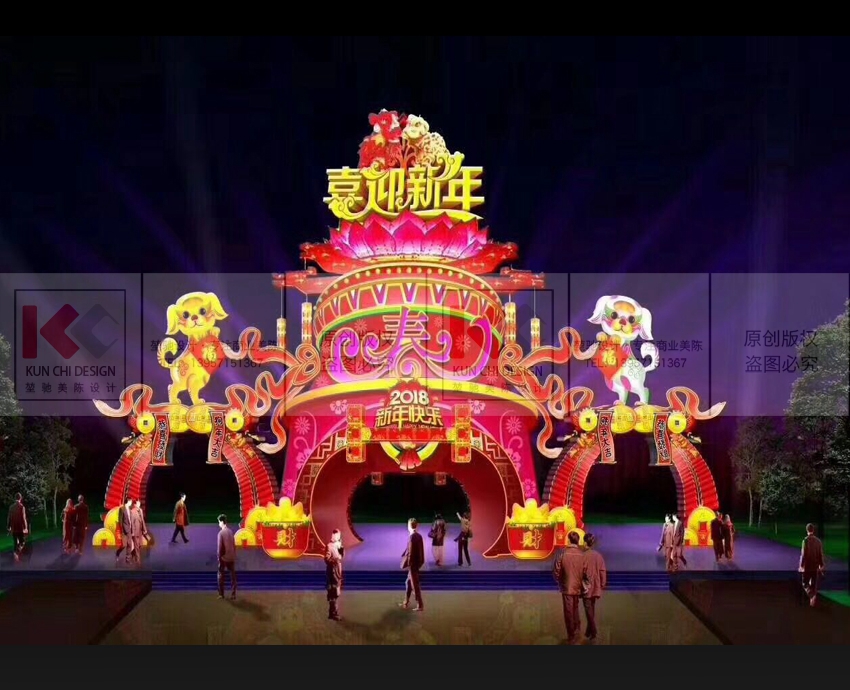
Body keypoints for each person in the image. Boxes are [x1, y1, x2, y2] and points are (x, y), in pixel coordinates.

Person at [553, 530, 585, 643]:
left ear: (568, 540)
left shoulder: (562, 553)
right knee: (575, 608)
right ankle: (577, 629)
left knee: (568, 611)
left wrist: (560, 581)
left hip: (567, 586)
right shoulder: (582, 555)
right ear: (578, 541)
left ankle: (571, 636)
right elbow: (586, 572)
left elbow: (556, 570)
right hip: (578, 586)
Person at [582, 533, 607, 641]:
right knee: (591, 608)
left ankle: (593, 631)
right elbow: (602, 571)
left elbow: (581, 572)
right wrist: (602, 584)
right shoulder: (598, 556)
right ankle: (588, 632)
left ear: (585, 542)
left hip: (586, 587)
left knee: (588, 609)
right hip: (596, 586)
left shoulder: (583, 556)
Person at [399, 518, 425, 611]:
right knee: (408, 582)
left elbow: (410, 552)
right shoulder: (419, 536)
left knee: (414, 584)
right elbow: (421, 550)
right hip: (417, 562)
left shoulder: (412, 537)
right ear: (416, 525)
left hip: (413, 564)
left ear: (409, 526)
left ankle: (420, 605)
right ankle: (406, 601)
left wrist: (408, 564)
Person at [799, 523, 825, 607]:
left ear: (807, 530)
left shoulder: (805, 540)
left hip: (807, 566)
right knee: (814, 584)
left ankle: (811, 595)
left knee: (805, 583)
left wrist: (801, 565)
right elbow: (820, 554)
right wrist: (821, 565)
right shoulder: (818, 541)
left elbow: (803, 554)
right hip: (815, 565)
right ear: (813, 530)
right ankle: (812, 599)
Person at [325, 529, 344, 620]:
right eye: (337, 535)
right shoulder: (329, 546)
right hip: (332, 573)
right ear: (333, 535)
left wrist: (341, 549)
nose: (338, 537)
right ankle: (333, 613)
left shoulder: (338, 545)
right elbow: (326, 559)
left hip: (337, 573)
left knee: (336, 593)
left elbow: (341, 556)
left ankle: (332, 613)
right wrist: (334, 561)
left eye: (339, 536)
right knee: (333, 593)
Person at [217, 514, 237, 600]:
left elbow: (220, 547)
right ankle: (233, 594)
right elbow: (233, 545)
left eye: (219, 522)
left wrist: (219, 557)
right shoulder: (231, 532)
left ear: (222, 522)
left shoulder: (220, 533)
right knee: (232, 576)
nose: (219, 524)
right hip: (231, 557)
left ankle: (221, 594)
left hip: (223, 558)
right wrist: (233, 555)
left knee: (220, 575)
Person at [6, 493, 28, 562]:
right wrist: (25, 527)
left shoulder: (11, 507)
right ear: (20, 498)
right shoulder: (22, 507)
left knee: (15, 542)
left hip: (13, 528)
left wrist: (8, 526)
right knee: (22, 542)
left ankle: (15, 553)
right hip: (20, 528)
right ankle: (17, 551)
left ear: (15, 498)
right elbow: (23, 518)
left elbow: (9, 518)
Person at [129, 499, 149, 565]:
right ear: (135, 504)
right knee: (137, 546)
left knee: (139, 545)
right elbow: (131, 523)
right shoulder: (132, 511)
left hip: (140, 531)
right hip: (135, 531)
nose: (139, 504)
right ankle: (138, 560)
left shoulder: (140, 510)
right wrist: (132, 532)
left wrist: (145, 530)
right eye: (138, 503)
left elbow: (142, 521)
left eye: (139, 503)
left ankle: (132, 554)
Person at [115, 498, 134, 563]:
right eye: (131, 501)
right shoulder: (122, 509)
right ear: (128, 501)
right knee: (124, 545)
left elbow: (131, 519)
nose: (131, 503)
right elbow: (120, 520)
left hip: (129, 529)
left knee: (129, 544)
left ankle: (127, 559)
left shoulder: (130, 509)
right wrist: (122, 530)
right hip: (124, 530)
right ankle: (118, 552)